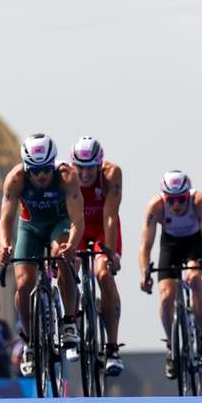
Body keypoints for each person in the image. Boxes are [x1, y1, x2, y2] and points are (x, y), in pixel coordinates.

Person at [0, 134, 85, 375]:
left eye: (46, 169)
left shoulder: (67, 176)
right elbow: (6, 219)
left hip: (60, 223)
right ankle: (30, 341)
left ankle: (68, 322)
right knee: (23, 284)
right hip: (31, 227)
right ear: (27, 168)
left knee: (60, 254)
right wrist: (4, 246)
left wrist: (72, 245)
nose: (42, 175)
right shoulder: (16, 179)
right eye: (35, 171)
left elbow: (78, 219)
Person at [139, 170, 202, 378]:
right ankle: (171, 347)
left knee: (194, 279)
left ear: (188, 195)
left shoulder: (200, 202)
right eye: (171, 200)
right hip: (171, 246)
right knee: (166, 296)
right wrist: (144, 272)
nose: (176, 206)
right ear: (165, 198)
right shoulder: (156, 207)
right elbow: (145, 246)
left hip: (195, 244)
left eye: (181, 200)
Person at [69, 136, 124, 375]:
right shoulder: (67, 176)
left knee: (103, 274)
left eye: (89, 167)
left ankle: (112, 348)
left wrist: (109, 253)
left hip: (103, 229)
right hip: (77, 228)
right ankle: (71, 322)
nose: (84, 174)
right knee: (67, 266)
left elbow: (110, 216)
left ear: (99, 165)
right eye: (80, 167)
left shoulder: (111, 174)